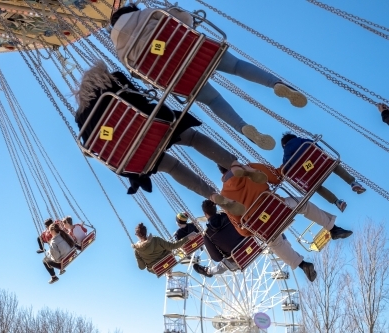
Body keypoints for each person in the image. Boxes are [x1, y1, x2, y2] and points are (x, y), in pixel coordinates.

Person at [74, 60, 268, 215]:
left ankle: (212, 195)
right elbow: (140, 98)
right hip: (151, 130)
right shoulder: (113, 80)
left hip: (132, 158)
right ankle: (235, 165)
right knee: (192, 138)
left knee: (171, 166)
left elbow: (92, 148)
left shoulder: (81, 118)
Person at [109, 5, 308, 150]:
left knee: (213, 101)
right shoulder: (147, 14)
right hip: (195, 50)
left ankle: (243, 127)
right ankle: (276, 84)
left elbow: (144, 77)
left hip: (180, 78)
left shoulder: (121, 53)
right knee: (237, 66)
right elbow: (184, 18)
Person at [219, 163, 353, 282]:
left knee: (274, 243)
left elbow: (242, 231)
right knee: (304, 205)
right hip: (279, 209)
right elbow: (277, 177)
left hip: (264, 227)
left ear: (222, 173)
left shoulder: (224, 197)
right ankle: (333, 228)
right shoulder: (251, 168)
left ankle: (302, 265)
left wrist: (253, 224)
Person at [280, 132, 366, 212]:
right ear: (293, 137)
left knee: (316, 186)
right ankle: (352, 183)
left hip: (311, 176)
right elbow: (319, 148)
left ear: (284, 145)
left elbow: (289, 172)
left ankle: (337, 202)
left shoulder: (286, 158)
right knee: (334, 166)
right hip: (322, 165)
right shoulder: (304, 141)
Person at [192, 200, 247, 277]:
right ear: (216, 208)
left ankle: (208, 271)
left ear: (205, 213)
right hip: (253, 247)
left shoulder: (207, 235)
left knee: (224, 264)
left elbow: (217, 258)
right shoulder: (229, 216)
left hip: (236, 260)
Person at [133, 222, 197, 274]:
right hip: (168, 261)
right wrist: (187, 237)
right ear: (145, 231)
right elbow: (173, 246)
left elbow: (142, 267)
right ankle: (169, 271)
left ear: (137, 235)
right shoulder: (156, 239)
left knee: (155, 266)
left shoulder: (137, 250)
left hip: (157, 269)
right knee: (169, 250)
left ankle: (168, 274)